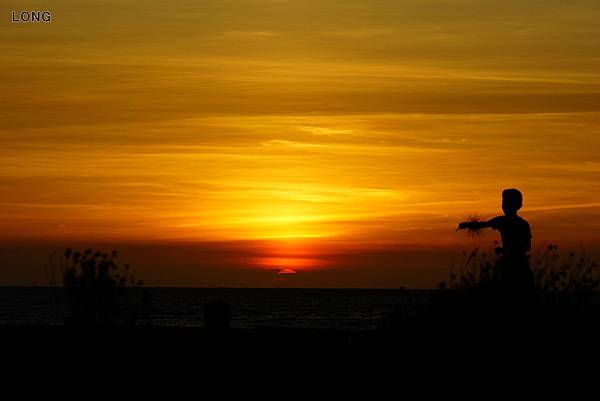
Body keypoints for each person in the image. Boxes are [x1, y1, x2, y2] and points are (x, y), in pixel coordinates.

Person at [457, 188, 535, 295]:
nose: (504, 205)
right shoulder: (516, 222)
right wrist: (467, 225)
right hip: (516, 262)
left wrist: (505, 250)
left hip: (515, 263)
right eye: (504, 202)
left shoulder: (513, 223)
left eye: (507, 202)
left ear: (517, 205)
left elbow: (526, 246)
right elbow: (484, 225)